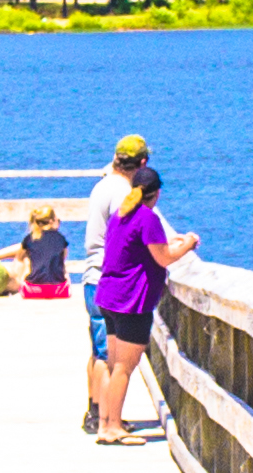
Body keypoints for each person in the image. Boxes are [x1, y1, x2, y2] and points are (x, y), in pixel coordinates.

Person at [86, 156, 195, 443]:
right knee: (124, 366)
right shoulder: (149, 217)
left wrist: (172, 243)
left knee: (112, 363)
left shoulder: (122, 214)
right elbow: (163, 257)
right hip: (131, 301)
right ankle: (112, 428)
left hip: (108, 295)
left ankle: (105, 425)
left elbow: (140, 247)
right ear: (157, 193)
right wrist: (188, 244)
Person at [78, 131, 145, 408]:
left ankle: (94, 409)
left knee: (98, 351)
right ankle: (106, 419)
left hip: (91, 277)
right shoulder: (122, 192)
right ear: (142, 164)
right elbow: (125, 234)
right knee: (111, 357)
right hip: (110, 281)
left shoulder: (102, 186)